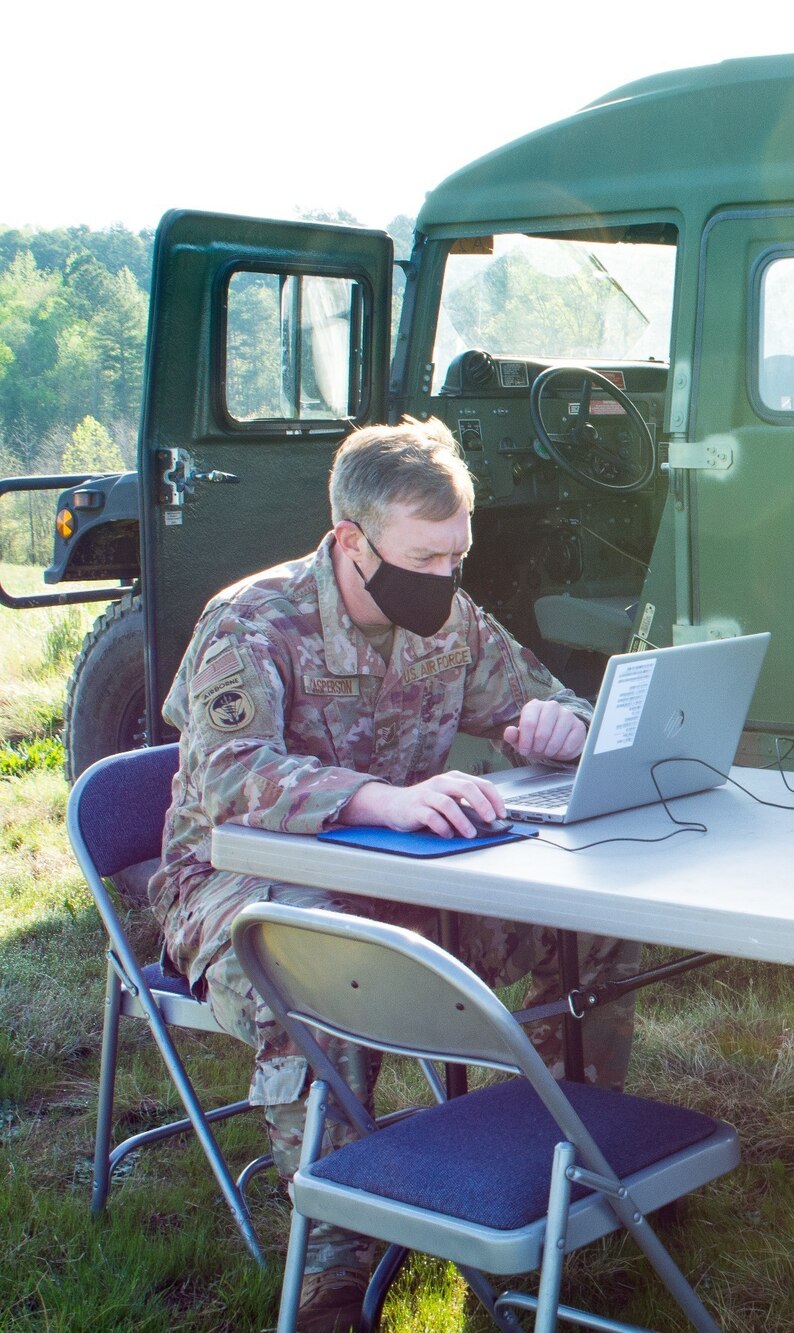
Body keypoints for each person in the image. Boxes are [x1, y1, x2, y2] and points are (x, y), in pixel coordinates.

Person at [148, 417, 644, 1333]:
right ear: (351, 540)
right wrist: (380, 798)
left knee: (596, 923)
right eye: (426, 557)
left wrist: (557, 723)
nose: (446, 579)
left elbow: (550, 695)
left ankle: (588, 1179)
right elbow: (226, 777)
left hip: (405, 875)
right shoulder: (250, 620)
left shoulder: (448, 617)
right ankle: (334, 1270)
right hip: (233, 881)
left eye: (458, 555)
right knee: (328, 960)